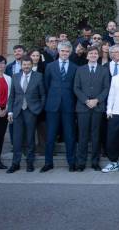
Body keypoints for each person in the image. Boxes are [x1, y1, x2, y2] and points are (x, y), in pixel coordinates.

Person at [42, 41, 78, 172]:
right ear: (58, 51)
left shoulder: (75, 67)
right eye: (62, 51)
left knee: (69, 135)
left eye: (67, 51)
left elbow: (75, 87)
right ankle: (48, 162)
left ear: (70, 53)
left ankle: (71, 162)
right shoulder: (50, 66)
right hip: (52, 105)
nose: (64, 53)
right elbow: (46, 85)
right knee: (50, 135)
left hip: (69, 105)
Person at [6, 55, 45, 173]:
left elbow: (43, 95)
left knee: (30, 138)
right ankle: (15, 163)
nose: (26, 66)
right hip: (17, 111)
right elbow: (12, 96)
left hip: (31, 111)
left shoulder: (38, 77)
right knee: (17, 139)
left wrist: (38, 109)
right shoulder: (15, 77)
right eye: (24, 64)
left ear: (32, 65)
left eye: (28, 64)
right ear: (21, 65)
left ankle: (30, 162)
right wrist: (10, 111)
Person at [74, 46, 110, 171]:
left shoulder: (104, 70)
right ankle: (81, 163)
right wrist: (86, 100)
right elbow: (76, 88)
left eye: (96, 53)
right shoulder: (80, 70)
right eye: (91, 53)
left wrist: (97, 100)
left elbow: (106, 88)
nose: (93, 55)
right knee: (83, 136)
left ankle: (95, 162)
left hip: (98, 107)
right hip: (83, 107)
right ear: (87, 56)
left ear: (98, 56)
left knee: (96, 136)